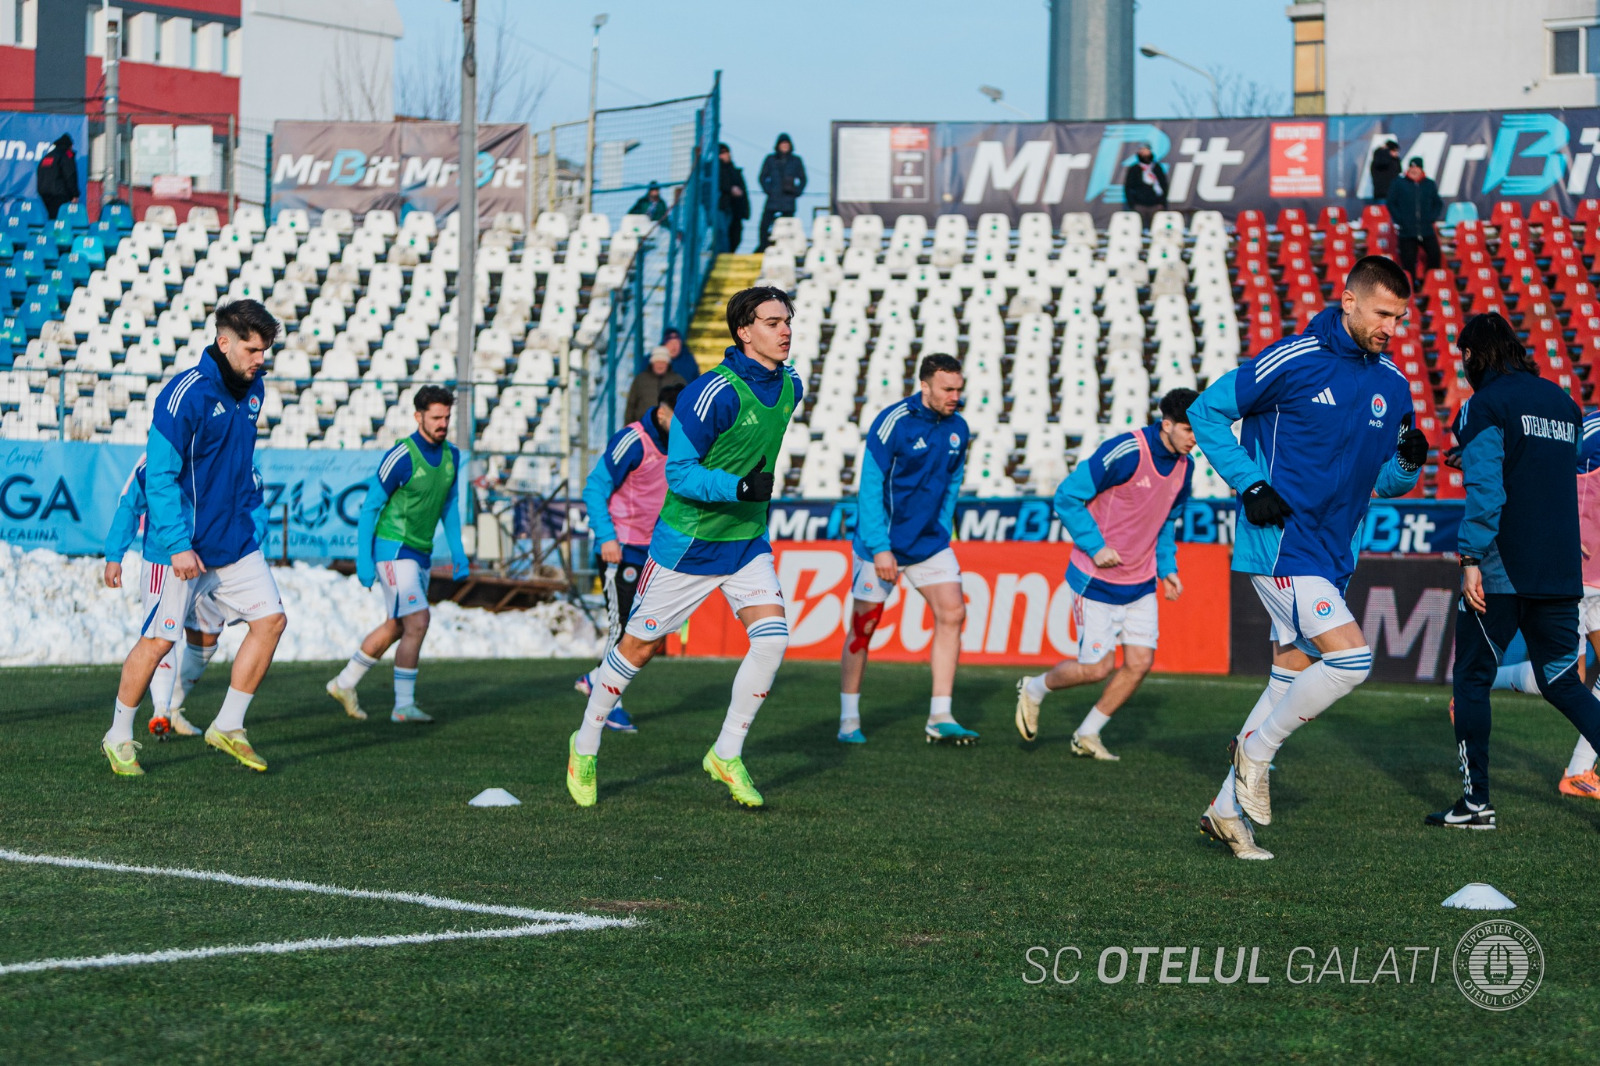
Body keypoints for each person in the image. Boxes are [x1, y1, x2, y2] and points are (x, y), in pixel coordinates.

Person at [1186, 256, 1427, 859]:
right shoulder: (1291, 359)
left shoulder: (1392, 383)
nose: (1390, 327)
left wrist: (1407, 462)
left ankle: (1224, 810)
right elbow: (1205, 413)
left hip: (1333, 549)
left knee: (1288, 674)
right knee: (1352, 660)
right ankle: (1255, 752)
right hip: (1283, 542)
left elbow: (1387, 484)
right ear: (1347, 301)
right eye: (1381, 313)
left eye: (1399, 318)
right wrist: (1250, 483)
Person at [565, 286, 802, 808]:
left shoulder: (791, 386)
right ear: (744, 331)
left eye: (788, 320)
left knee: (772, 640)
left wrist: (747, 498)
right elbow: (680, 474)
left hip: (744, 542)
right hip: (688, 547)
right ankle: (584, 744)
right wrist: (737, 488)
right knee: (640, 649)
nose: (785, 330)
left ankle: (726, 752)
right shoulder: (710, 392)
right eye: (772, 322)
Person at [1427, 313, 1600, 830]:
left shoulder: (1486, 404)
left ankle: (1476, 803)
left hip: (1503, 566)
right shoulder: (1564, 405)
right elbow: (1540, 472)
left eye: (1464, 359)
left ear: (1476, 355)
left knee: (1471, 680)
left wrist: (1470, 558)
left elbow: (1488, 490)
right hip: (1561, 569)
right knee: (1563, 682)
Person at [102, 299, 287, 776]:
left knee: (271, 621)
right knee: (159, 643)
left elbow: (237, 466)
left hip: (233, 544)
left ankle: (228, 724)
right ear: (223, 343)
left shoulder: (255, 388)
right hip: (182, 549)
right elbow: (159, 478)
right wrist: (178, 543)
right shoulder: (183, 395)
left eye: (265, 349)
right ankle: (119, 734)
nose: (260, 358)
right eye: (251, 349)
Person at [1015, 388, 1198, 758]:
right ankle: (1034, 689)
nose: (1196, 440)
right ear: (1167, 425)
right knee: (1097, 668)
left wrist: (1167, 569)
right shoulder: (1127, 451)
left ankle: (1087, 733)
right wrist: (1095, 546)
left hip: (1141, 581)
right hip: (1095, 580)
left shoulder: (1185, 466)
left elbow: (1167, 522)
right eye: (1189, 431)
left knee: (1139, 663)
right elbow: (1067, 496)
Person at [839, 354, 973, 745]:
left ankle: (940, 715)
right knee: (864, 628)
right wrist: (880, 548)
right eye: (948, 389)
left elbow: (952, 484)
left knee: (953, 612)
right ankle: (849, 719)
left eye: (959, 389)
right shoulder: (892, 422)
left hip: (928, 543)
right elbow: (869, 486)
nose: (955, 396)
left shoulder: (959, 428)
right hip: (880, 545)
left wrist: (942, 529)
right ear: (925, 386)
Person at [326, 386, 470, 724]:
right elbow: (369, 508)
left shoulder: (452, 455)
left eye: (447, 417)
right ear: (418, 416)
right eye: (436, 417)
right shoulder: (401, 455)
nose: (442, 423)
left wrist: (459, 551)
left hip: (419, 553)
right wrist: (364, 558)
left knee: (396, 626)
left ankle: (344, 683)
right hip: (392, 549)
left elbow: (449, 507)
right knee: (419, 620)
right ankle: (403, 706)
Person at [104, 457, 268, 739]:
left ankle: (173, 708)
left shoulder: (235, 459)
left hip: (214, 564)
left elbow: (256, 512)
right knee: (162, 638)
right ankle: (156, 711)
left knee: (205, 641)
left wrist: (242, 549)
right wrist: (114, 555)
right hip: (167, 561)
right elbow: (130, 504)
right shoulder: (157, 458)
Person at [1484, 407, 1600, 800]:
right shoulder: (1594, 428)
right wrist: (1561, 529)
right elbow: (1545, 471)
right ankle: (1484, 682)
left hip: (1597, 573)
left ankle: (1580, 770)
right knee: (1569, 677)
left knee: (1574, 679)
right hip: (1576, 568)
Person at [575, 383, 684, 733]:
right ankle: (609, 705)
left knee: (650, 635)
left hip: (656, 552)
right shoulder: (633, 439)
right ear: (663, 413)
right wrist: (607, 537)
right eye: (680, 419)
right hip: (620, 548)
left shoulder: (685, 442)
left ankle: (596, 678)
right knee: (622, 629)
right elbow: (595, 486)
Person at [1387, 156, 1442, 278]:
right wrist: (1400, 219)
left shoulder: (1429, 184)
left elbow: (1438, 203)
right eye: (1411, 167)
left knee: (1435, 254)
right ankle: (1411, 287)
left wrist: (1431, 217)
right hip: (1407, 230)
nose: (1413, 170)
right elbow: (1391, 202)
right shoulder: (1399, 183)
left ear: (1421, 169)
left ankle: (1429, 281)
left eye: (1416, 167)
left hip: (1426, 229)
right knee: (1408, 261)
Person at [756, 133, 806, 253]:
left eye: (786, 144)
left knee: (788, 227)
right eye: (782, 144)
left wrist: (796, 192)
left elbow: (803, 179)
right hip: (773, 199)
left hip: (788, 199)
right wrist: (769, 190)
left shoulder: (796, 160)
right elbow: (762, 177)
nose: (784, 146)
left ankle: (786, 249)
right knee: (765, 224)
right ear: (778, 145)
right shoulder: (770, 159)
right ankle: (763, 246)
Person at [625, 346, 686, 425]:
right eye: (657, 362)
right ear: (652, 363)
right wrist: (628, 426)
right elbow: (631, 405)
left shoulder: (678, 380)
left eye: (663, 362)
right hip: (644, 428)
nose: (660, 365)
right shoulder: (640, 380)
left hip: (669, 429)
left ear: (668, 364)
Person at [1122, 143, 1168, 231]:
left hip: (1156, 205)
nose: (1144, 153)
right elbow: (1128, 187)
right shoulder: (1134, 169)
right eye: (1142, 151)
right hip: (1139, 205)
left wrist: (1162, 203)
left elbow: (1164, 185)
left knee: (1158, 229)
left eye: (1146, 151)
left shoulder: (1156, 168)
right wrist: (1132, 204)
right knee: (1137, 229)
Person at [36, 134, 79, 221]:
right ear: (69, 145)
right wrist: (74, 194)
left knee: (53, 216)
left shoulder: (48, 156)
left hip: (44, 193)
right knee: (60, 218)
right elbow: (70, 175)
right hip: (59, 193)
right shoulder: (67, 155)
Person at [718, 143, 750, 252]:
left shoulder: (735, 171)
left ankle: (728, 253)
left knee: (735, 235)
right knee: (722, 233)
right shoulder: (715, 170)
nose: (725, 155)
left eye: (726, 152)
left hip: (735, 209)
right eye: (722, 153)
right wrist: (730, 189)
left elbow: (743, 192)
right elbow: (720, 184)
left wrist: (745, 211)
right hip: (722, 206)